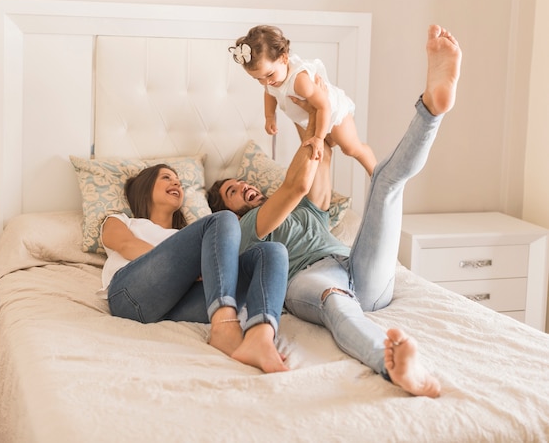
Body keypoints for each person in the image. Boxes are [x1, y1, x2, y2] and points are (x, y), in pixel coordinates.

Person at [209, 24, 462, 397]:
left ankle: (431, 111)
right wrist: (310, 118)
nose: (244, 186)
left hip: (360, 269)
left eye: (243, 182)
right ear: (226, 211)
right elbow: (295, 185)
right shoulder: (246, 228)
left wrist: (318, 111)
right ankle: (394, 367)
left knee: (384, 183)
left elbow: (321, 154)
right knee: (336, 304)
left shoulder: (309, 209)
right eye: (232, 190)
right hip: (309, 282)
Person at [100, 164, 289, 373]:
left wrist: (198, 268)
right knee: (223, 218)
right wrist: (187, 269)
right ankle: (224, 325)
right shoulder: (122, 220)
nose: (176, 183)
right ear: (145, 188)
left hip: (175, 307)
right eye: (166, 177)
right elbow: (126, 245)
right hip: (130, 296)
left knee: (272, 251)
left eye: (178, 180)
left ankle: (260, 337)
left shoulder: (190, 236)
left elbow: (221, 271)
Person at [229, 25, 376, 174]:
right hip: (310, 118)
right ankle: (328, 140)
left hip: (333, 112)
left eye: (269, 75)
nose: (265, 82)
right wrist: (270, 116)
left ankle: (374, 171)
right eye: (258, 79)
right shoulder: (272, 80)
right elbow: (269, 93)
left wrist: (319, 138)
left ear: (284, 58)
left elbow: (324, 106)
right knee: (327, 146)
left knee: (350, 148)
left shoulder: (300, 81)